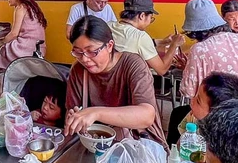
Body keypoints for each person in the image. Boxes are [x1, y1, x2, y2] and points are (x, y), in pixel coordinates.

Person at [64, 17, 165, 146]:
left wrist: (96, 113)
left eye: (92, 51)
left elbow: (147, 115)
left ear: (110, 46)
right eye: (78, 52)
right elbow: (72, 110)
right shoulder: (78, 70)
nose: (85, 59)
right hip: (96, 144)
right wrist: (73, 118)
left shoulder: (133, 64)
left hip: (138, 147)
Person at [177, 0, 238, 100]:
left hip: (222, 112)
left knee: (178, 113)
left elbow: (188, 91)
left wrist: (188, 70)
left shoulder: (200, 49)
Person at [166, 71, 238, 145]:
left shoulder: (228, 141)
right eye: (196, 95)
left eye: (198, 101)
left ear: (216, 115)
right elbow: (179, 147)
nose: (192, 100)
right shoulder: (192, 118)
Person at [109, 0, 184, 76]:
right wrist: (174, 45)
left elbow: (134, 44)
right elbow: (162, 70)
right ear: (142, 16)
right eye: (151, 18)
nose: (149, 22)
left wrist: (163, 42)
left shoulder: (109, 25)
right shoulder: (140, 36)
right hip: (127, 81)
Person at [0, 0, 48, 69]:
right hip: (39, 48)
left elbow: (14, 33)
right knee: (1, 50)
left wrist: (0, 43)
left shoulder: (20, 7)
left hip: (26, 49)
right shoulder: (32, 7)